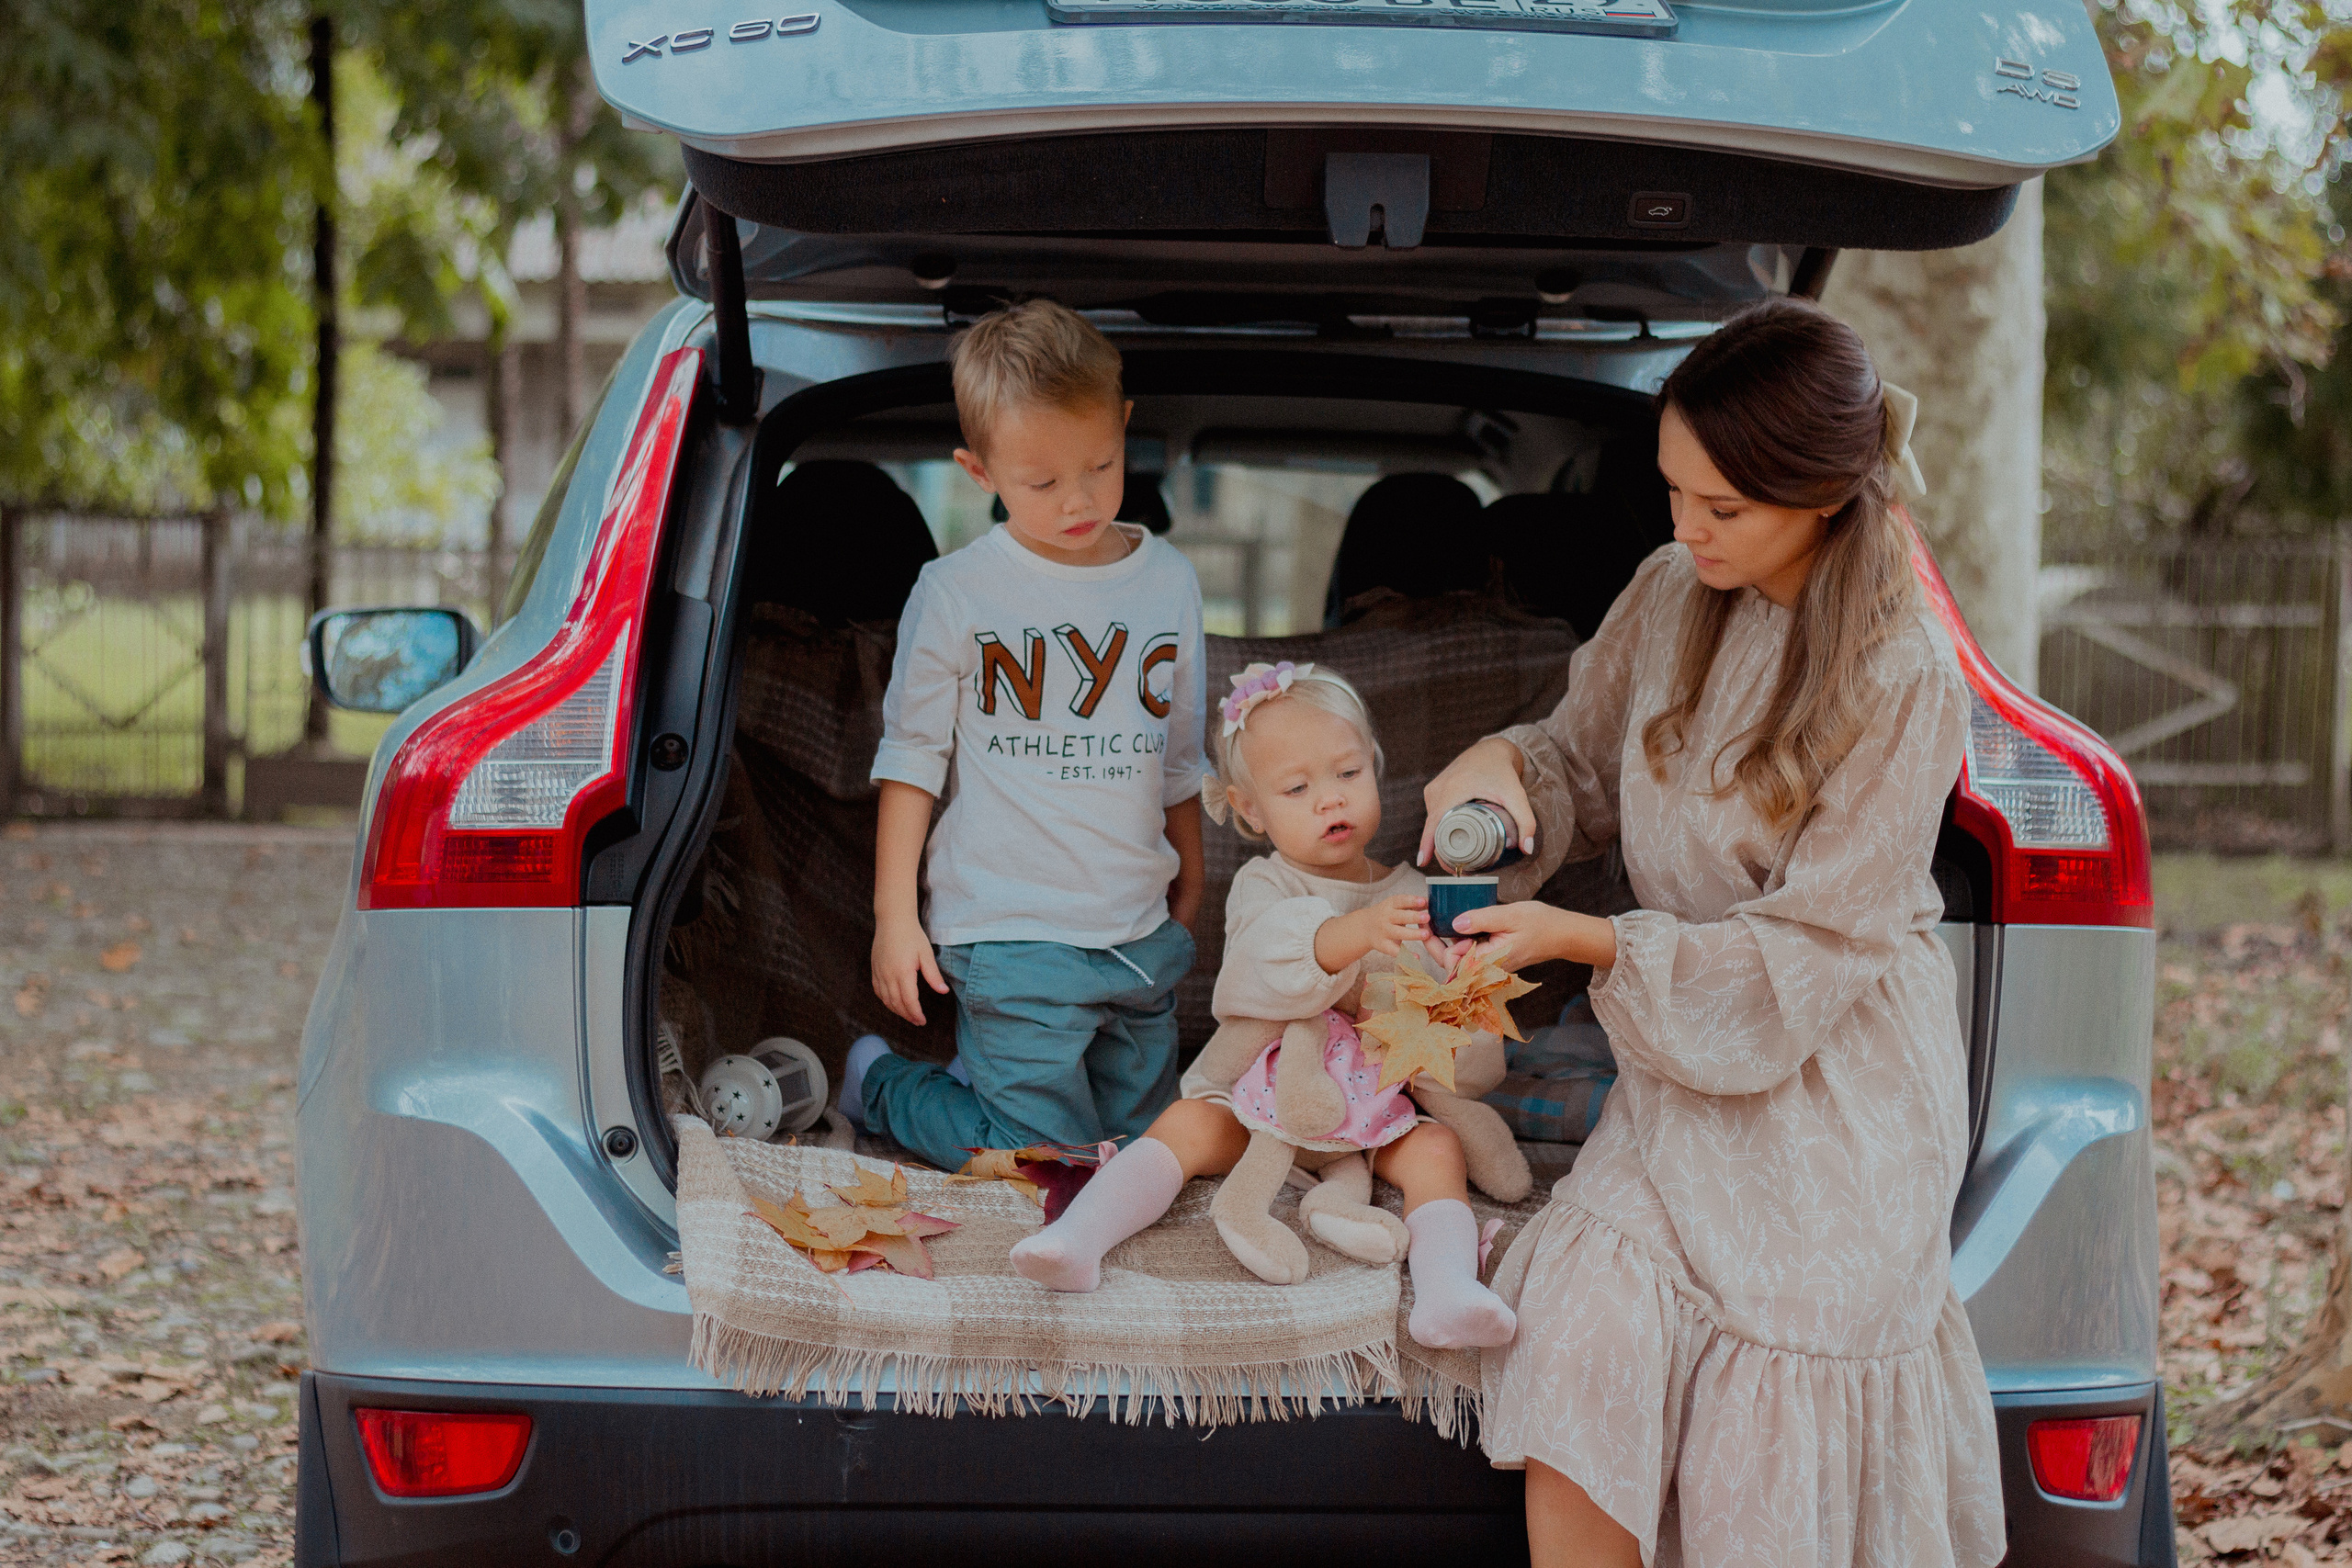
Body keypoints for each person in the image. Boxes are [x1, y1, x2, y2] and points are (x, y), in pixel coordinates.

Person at [1419, 299, 2001, 1566]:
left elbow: (1814, 950)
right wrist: (1496, 772)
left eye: (1725, 506)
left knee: (1762, 1432)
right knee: (1581, 1342)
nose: (1687, 526)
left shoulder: (1906, 674)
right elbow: (1571, 758)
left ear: (1826, 493)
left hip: (1832, 1082)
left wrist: (1593, 946)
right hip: (1683, 1070)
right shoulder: (1672, 589)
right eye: (1674, 488)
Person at [1008, 661, 1517, 1350]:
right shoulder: (1263, 883)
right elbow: (1260, 969)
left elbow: (1444, 1042)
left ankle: (1448, 1288)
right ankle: (1077, 1237)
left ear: (1376, 765)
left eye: (1347, 773)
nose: (1329, 800)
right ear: (1251, 809)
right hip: (1262, 1105)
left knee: (1436, 1146)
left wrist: (1454, 975)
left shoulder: (1416, 892)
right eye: (1297, 787)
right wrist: (1353, 934)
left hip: (1374, 1115)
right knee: (1187, 1121)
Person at [847, 300, 1207, 1172]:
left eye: (1100, 465)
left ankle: (1003, 1077)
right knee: (1045, 1157)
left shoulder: (1168, 581)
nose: (1078, 499)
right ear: (979, 471)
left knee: (1140, 1154)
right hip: (1007, 929)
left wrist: (1193, 868)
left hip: (1136, 927)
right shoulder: (959, 592)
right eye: (1042, 483)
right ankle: (885, 1084)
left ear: (1124, 427)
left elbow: (1178, 750)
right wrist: (896, 916)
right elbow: (911, 760)